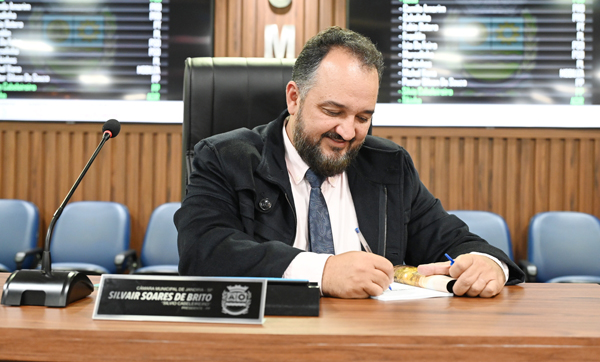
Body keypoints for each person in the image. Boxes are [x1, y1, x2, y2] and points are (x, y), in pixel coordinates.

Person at [175, 26, 524, 299]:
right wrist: (323, 271)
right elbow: (203, 252)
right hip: (264, 340)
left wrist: (487, 263)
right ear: (294, 98)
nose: (347, 131)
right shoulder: (224, 158)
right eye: (333, 111)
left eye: (362, 117)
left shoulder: (389, 166)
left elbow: (452, 239)